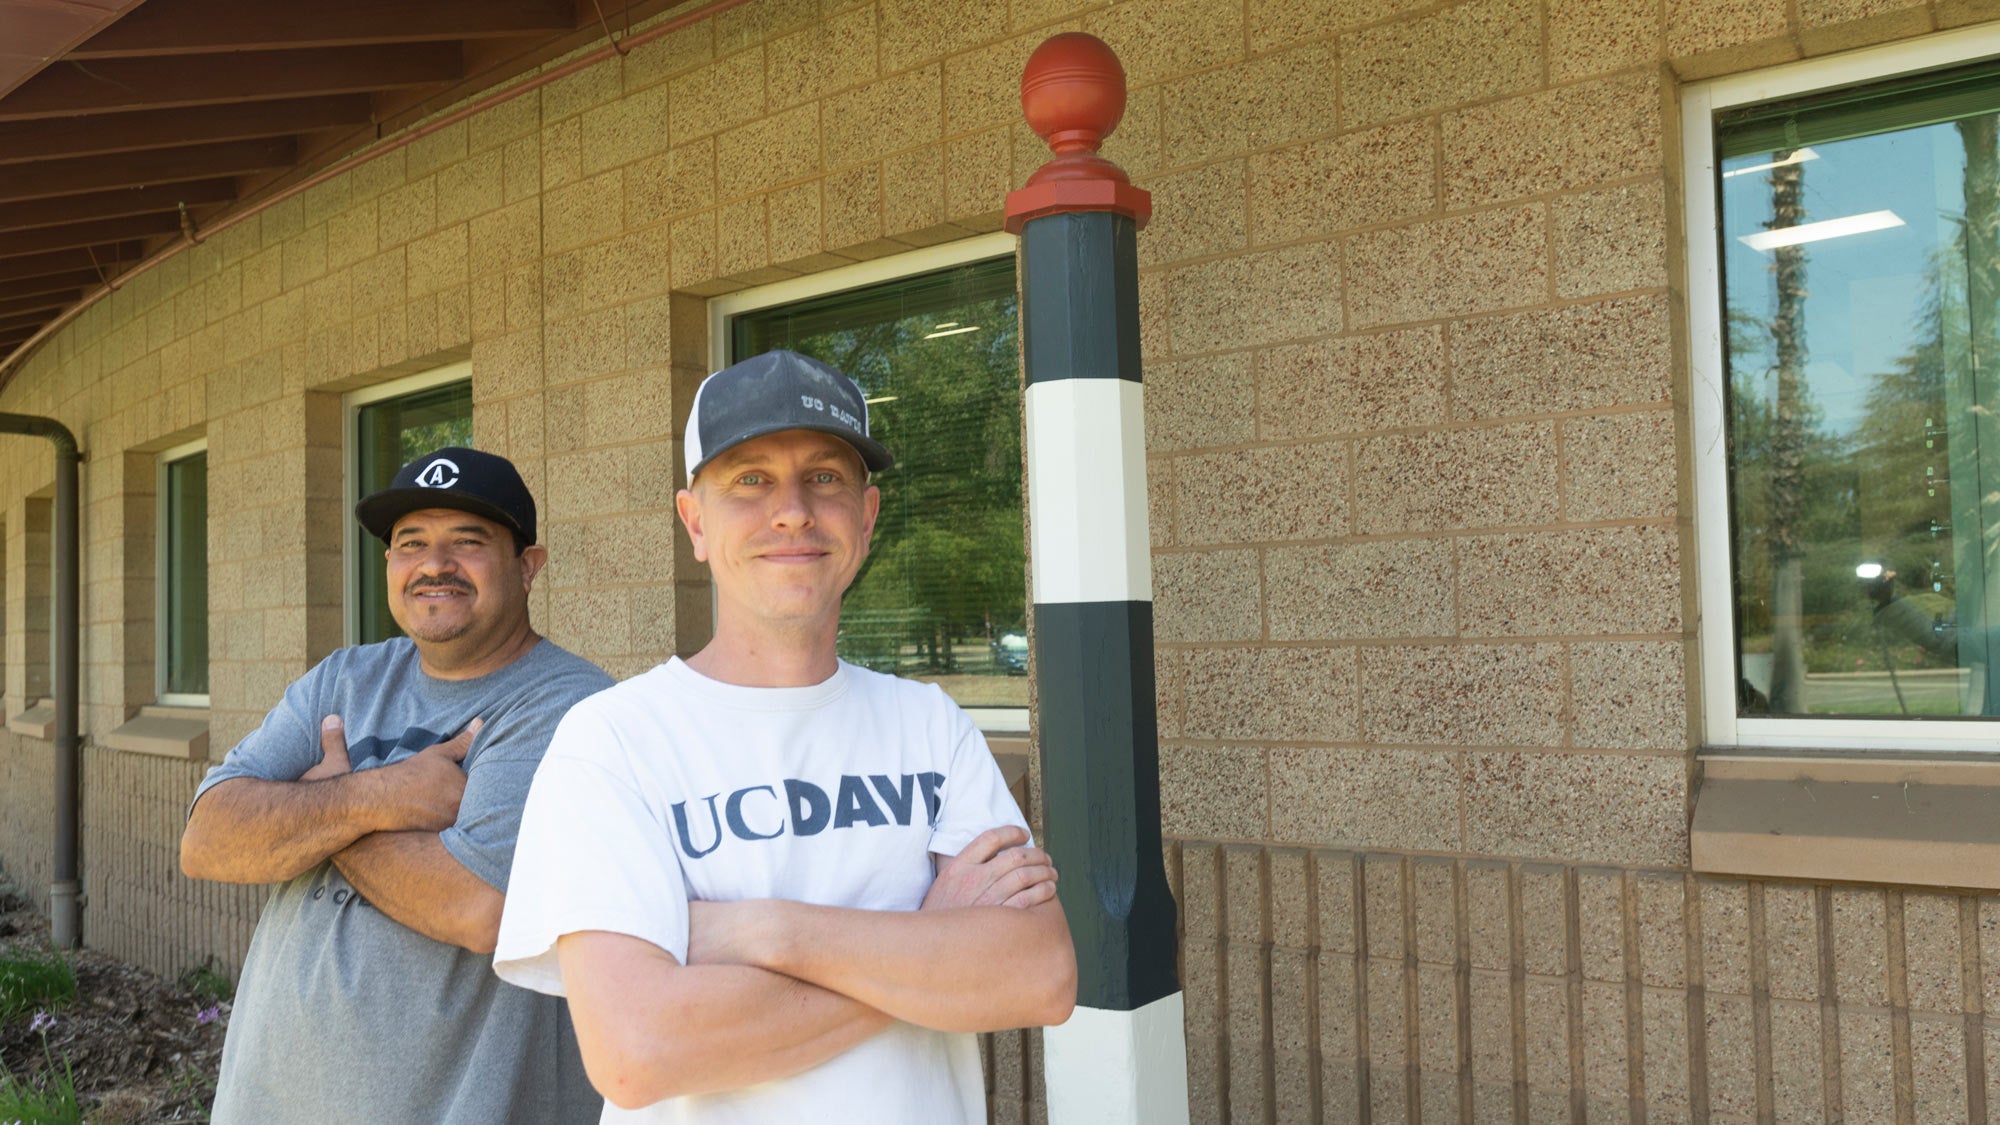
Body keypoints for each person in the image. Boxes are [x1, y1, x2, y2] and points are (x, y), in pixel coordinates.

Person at [494, 349, 1077, 1121]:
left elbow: (1038, 973)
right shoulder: (612, 740)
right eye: (750, 479)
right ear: (695, 522)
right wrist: (927, 944)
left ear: (865, 518)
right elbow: (638, 1052)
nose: (794, 510)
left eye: (826, 477)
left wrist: (761, 929)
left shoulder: (929, 722)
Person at [180, 446, 612, 1125]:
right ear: (388, 566)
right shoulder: (343, 678)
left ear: (528, 567)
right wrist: (374, 797)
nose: (434, 564)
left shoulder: (570, 706)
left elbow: (475, 906)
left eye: (467, 542)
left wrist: (318, 806)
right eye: (411, 544)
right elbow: (207, 840)